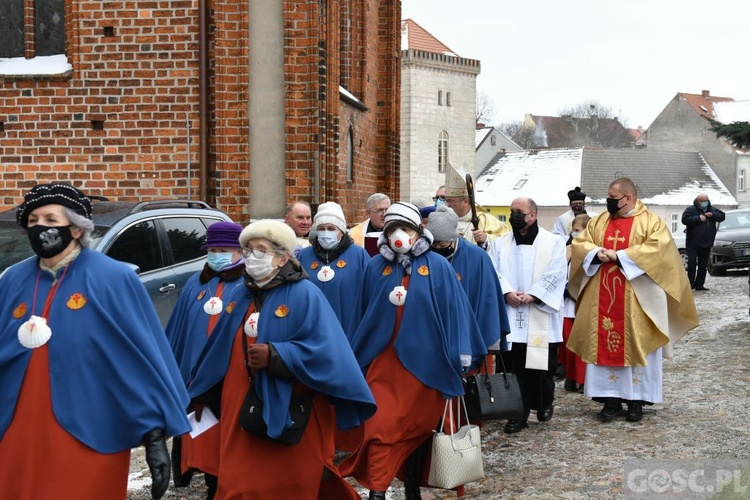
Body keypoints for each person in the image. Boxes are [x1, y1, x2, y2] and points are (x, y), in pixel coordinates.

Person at [0, 183, 191, 499]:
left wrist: (155, 434)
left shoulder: (113, 278)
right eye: (33, 221)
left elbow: (141, 356)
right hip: (19, 429)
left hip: (90, 428)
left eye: (50, 219)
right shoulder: (13, 279)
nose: (40, 229)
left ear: (75, 228)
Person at [186, 219, 376, 499]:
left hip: (291, 405)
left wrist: (277, 356)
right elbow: (217, 350)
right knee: (237, 484)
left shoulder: (305, 294)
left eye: (260, 250)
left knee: (290, 484)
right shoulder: (240, 293)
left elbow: (328, 353)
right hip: (239, 405)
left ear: (283, 257)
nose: (252, 258)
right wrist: (202, 393)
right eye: (248, 250)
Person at [338, 202, 487, 500]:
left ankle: (410, 487)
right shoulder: (375, 266)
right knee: (380, 428)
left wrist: (462, 355)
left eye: (404, 229)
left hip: (427, 368)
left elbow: (455, 312)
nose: (398, 235)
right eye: (392, 229)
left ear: (418, 231)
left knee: (420, 430)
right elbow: (360, 313)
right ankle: (377, 491)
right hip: (383, 365)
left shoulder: (437, 266)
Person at [568, 177, 698, 423]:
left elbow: (660, 253)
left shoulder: (651, 222)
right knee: (604, 342)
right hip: (603, 299)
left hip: (639, 301)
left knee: (640, 346)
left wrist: (620, 256)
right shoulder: (599, 221)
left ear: (628, 198)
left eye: (612, 198)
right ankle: (611, 401)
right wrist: (596, 253)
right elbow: (580, 244)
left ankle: (636, 402)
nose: (608, 202)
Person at [166, 221, 245, 499]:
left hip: (230, 380)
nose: (217, 254)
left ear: (240, 251)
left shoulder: (249, 285)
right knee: (205, 442)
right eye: (212, 249)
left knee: (232, 443)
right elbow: (177, 332)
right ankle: (214, 486)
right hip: (196, 382)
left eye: (224, 249)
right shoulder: (196, 283)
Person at [487, 197, 568, 434]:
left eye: (518, 211)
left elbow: (557, 271)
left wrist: (534, 294)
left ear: (532, 215)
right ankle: (517, 414)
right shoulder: (499, 244)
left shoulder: (554, 242)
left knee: (542, 366)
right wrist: (507, 292)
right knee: (514, 368)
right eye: (512, 211)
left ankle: (543, 402)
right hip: (512, 313)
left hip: (539, 310)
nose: (513, 215)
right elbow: (492, 271)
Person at [298, 201, 370, 334]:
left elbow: (370, 293)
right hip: (312, 328)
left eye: (331, 229)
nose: (326, 233)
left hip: (349, 327)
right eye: (321, 228)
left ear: (342, 231)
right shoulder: (304, 256)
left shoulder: (358, 255)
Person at [560, 213, 591, 393]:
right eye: (572, 230)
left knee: (582, 345)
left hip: (582, 305)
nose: (574, 233)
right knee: (567, 345)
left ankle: (583, 379)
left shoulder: (592, 251)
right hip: (566, 305)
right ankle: (570, 377)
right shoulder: (568, 249)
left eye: (577, 230)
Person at [444, 163, 507, 248]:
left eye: (450, 201)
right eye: (446, 200)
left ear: (466, 202)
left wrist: (486, 239)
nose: (447, 205)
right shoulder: (444, 220)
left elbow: (505, 240)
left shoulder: (484, 219)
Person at [681, 193, 725, 291]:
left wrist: (712, 215)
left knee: (703, 265)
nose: (705, 203)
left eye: (706, 201)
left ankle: (700, 284)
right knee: (692, 263)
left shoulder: (712, 209)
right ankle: (691, 283)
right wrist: (698, 218)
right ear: (698, 201)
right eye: (703, 201)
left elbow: (722, 216)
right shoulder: (691, 210)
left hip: (706, 242)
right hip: (693, 242)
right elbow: (684, 220)